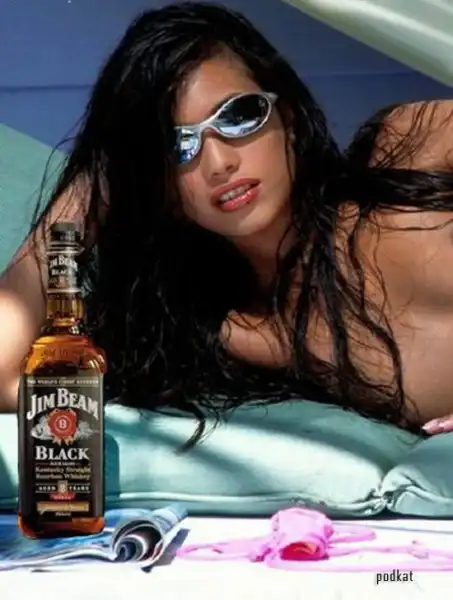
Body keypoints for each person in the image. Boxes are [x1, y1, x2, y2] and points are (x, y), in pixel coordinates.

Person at [1, 2, 453, 445]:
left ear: (289, 118)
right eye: (177, 147)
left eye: (238, 116)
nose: (218, 162)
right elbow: (7, 375)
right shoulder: (243, 333)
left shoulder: (405, 155)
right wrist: (87, 191)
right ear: (161, 188)